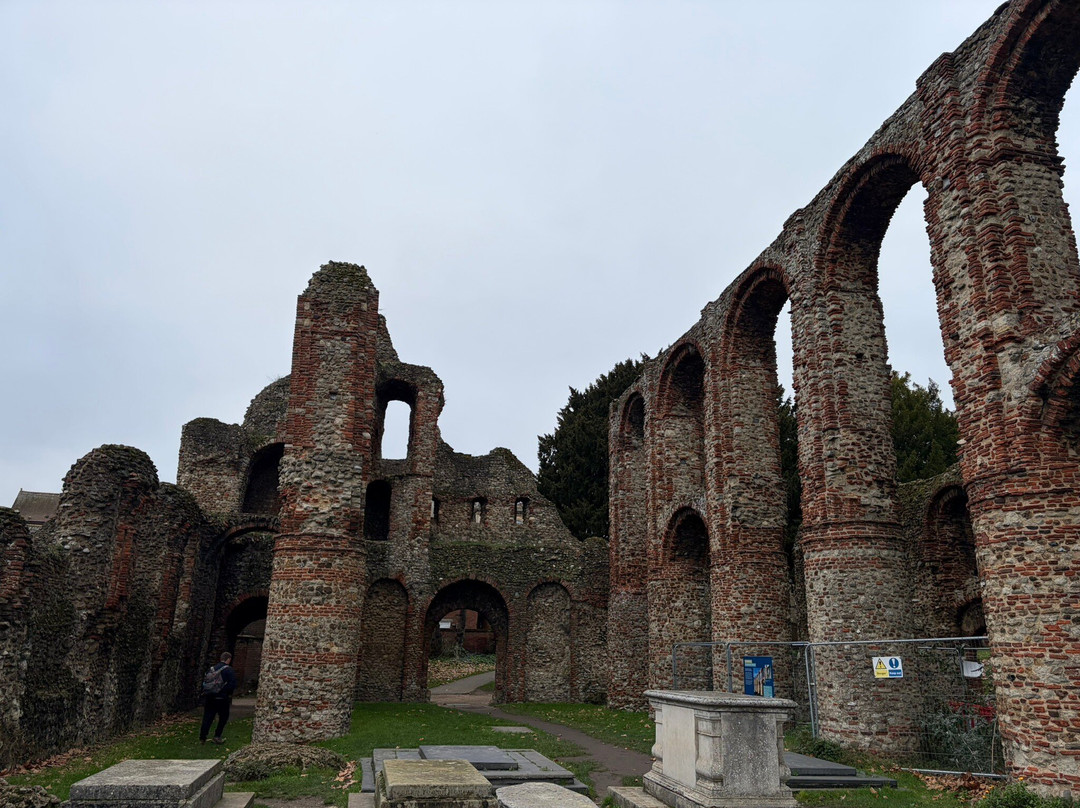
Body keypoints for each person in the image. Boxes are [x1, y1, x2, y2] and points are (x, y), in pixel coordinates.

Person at [199, 651, 237, 745]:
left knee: (207, 717)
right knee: (223, 717)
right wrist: (225, 692)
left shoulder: (212, 669)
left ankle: (203, 737)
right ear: (228, 659)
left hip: (210, 697)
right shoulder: (229, 670)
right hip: (222, 698)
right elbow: (232, 684)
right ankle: (217, 736)